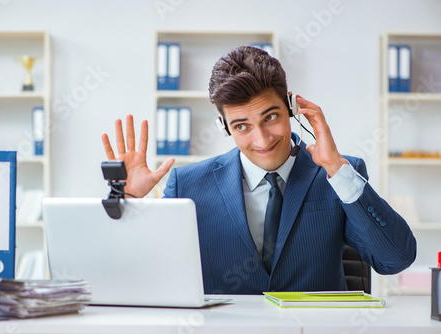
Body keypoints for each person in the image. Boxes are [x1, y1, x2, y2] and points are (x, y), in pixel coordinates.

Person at [101, 46, 416, 294]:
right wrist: (131, 205)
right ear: (224, 127)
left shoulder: (339, 175)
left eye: (270, 117)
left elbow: (395, 259)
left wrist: (336, 168)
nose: (262, 139)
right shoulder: (188, 185)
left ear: (292, 108)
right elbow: (146, 274)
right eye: (242, 126)